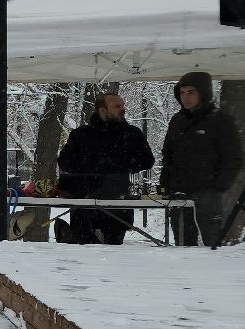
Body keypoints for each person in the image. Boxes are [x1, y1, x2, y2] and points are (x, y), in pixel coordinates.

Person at [56, 91, 154, 245]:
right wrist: (88, 169)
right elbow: (64, 161)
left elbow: (148, 160)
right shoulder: (81, 134)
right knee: (81, 251)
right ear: (102, 110)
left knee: (114, 254)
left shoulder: (132, 134)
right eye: (117, 106)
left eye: (123, 105)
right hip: (84, 200)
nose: (123, 109)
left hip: (118, 201)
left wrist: (121, 166)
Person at [159, 71, 243, 246]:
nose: (185, 98)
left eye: (191, 92)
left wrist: (216, 187)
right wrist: (166, 182)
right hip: (179, 193)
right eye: (182, 93)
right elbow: (168, 154)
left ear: (203, 93)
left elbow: (233, 159)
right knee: (182, 244)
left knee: (212, 243)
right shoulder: (177, 121)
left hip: (208, 195)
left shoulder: (221, 121)